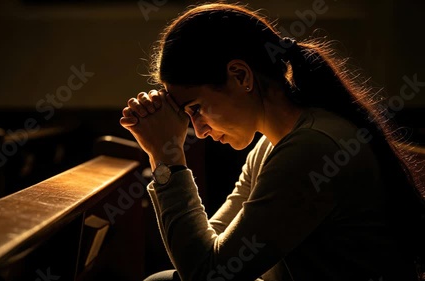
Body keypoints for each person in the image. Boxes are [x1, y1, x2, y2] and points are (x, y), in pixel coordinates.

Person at [119, 3, 425, 281]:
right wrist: (163, 155)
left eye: (196, 109)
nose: (198, 131)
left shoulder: (313, 148)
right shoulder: (271, 146)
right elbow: (211, 248)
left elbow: (209, 274)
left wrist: (166, 158)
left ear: (240, 76)